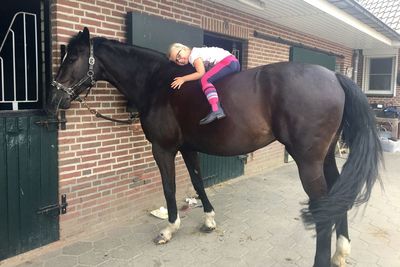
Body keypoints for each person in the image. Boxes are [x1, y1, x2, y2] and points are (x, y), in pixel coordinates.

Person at [168, 43, 240, 125]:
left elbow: (200, 73)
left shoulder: (193, 55)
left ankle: (216, 109)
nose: (180, 60)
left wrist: (183, 79)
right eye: (177, 60)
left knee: (205, 80)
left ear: (184, 48)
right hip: (234, 62)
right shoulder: (198, 51)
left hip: (227, 62)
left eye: (179, 55)